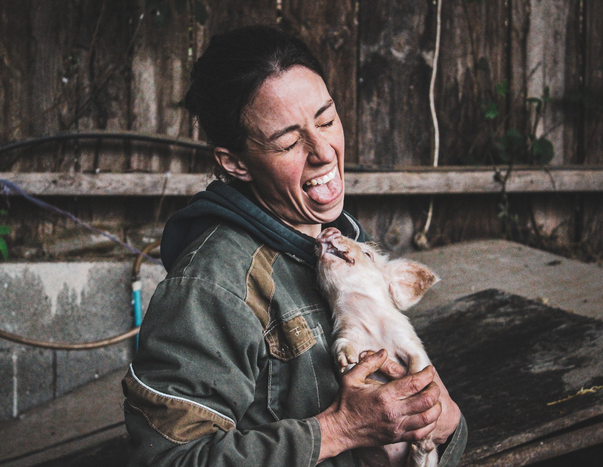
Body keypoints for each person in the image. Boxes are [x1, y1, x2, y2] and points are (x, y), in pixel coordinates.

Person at [122, 25, 467, 466]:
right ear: (235, 162)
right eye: (288, 142)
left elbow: (423, 418)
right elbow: (166, 460)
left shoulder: (342, 246)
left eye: (326, 119)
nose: (323, 151)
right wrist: (339, 430)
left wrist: (447, 423)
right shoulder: (212, 288)